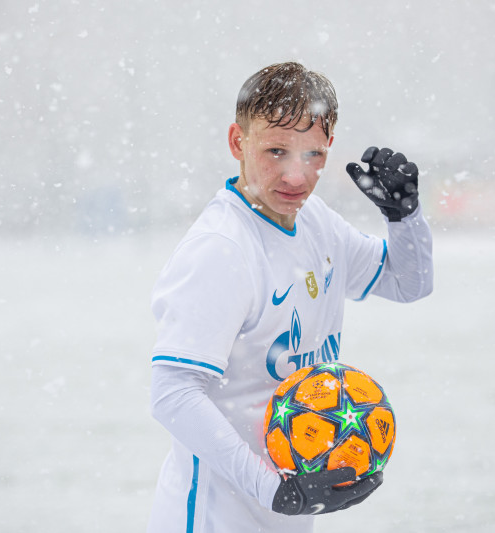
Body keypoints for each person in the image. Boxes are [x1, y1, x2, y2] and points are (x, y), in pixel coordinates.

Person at [147, 62, 433, 533]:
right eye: (276, 151)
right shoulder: (223, 250)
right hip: (212, 520)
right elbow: (172, 395)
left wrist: (405, 218)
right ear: (238, 142)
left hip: (287, 519)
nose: (296, 177)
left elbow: (409, 282)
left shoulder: (317, 222)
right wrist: (275, 490)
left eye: (313, 155)